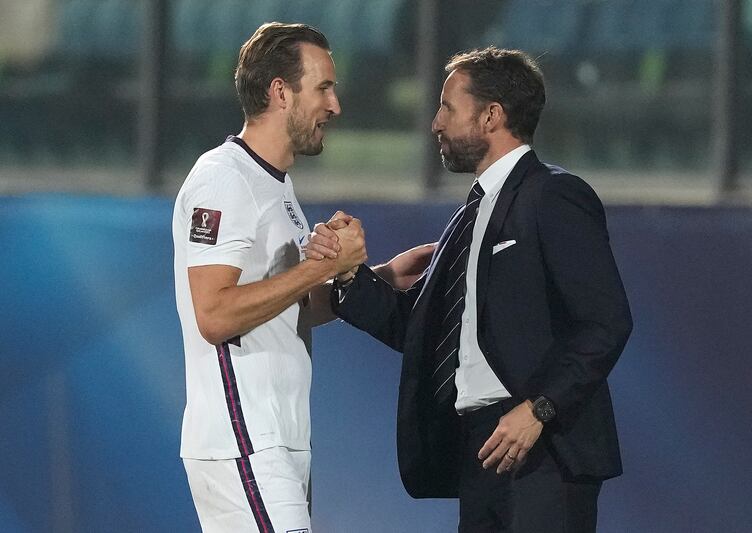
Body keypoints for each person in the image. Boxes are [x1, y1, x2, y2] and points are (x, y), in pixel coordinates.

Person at [309, 47, 633, 532]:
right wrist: (349, 274)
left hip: (541, 445)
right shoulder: (470, 216)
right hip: (480, 447)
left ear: (491, 116)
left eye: (447, 108)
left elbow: (606, 322)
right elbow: (420, 332)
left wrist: (540, 408)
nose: (435, 123)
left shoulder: (554, 195)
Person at [172, 22, 430, 533]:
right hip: (242, 438)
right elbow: (215, 315)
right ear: (280, 92)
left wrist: (374, 275)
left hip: (278, 438)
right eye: (324, 87)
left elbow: (288, 310)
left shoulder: (276, 186)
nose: (335, 106)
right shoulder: (223, 178)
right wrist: (320, 266)